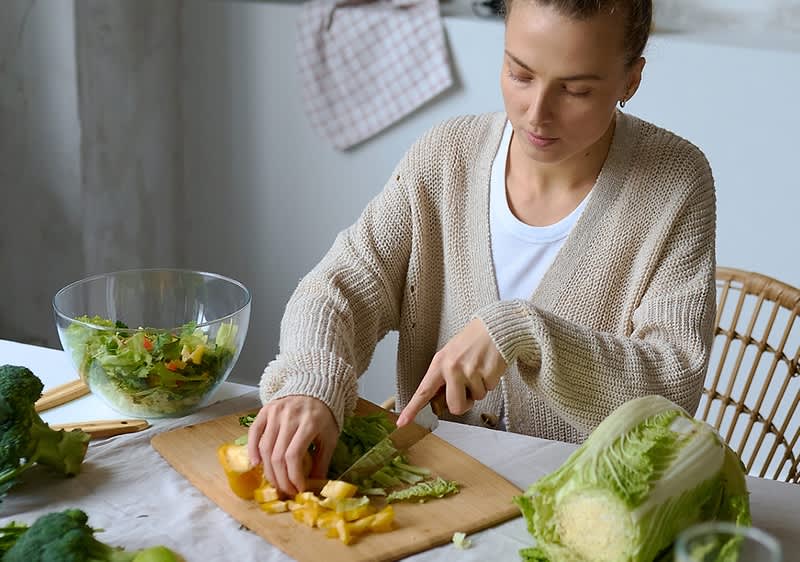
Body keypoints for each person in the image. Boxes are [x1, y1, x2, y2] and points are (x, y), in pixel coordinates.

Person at [248, 0, 716, 496]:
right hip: (433, 493)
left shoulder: (676, 181)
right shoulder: (446, 155)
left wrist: (523, 332)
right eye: (520, 73)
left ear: (630, 81)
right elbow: (340, 287)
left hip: (584, 506)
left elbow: (671, 385)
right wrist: (310, 381)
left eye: (576, 89)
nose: (537, 113)